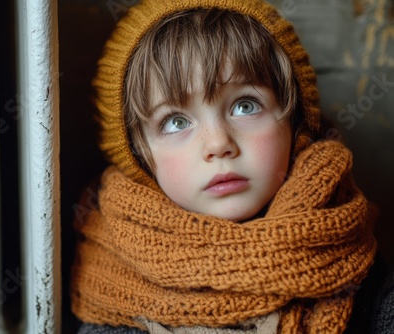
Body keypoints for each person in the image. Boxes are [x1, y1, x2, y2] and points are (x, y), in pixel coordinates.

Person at [70, 0, 393, 333]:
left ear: (294, 123)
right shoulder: (116, 271)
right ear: (138, 154)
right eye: (176, 122)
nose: (217, 144)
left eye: (245, 105)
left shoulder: (343, 242)